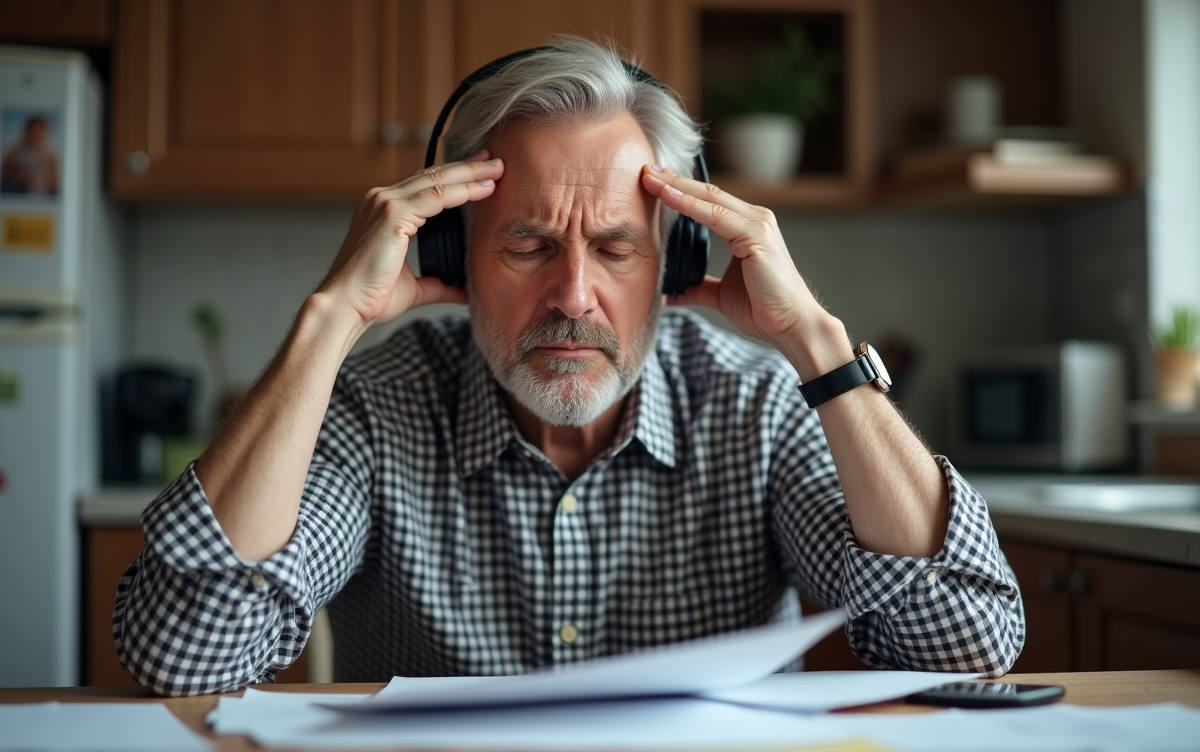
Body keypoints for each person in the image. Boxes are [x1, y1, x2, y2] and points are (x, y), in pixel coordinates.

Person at [114, 38, 1024, 696]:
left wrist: (818, 345)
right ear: (449, 256)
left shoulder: (758, 408)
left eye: (619, 249)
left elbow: (969, 642)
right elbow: (186, 653)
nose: (574, 297)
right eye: (529, 245)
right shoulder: (376, 408)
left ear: (671, 264)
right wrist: (327, 323)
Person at [1, 115, 59, 195]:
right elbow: (6, 176)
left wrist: (45, 178)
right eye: (33, 131)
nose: (35, 136)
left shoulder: (50, 155)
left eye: (39, 133)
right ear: (27, 131)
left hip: (43, 196)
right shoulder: (14, 152)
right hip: (19, 194)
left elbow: (55, 180)